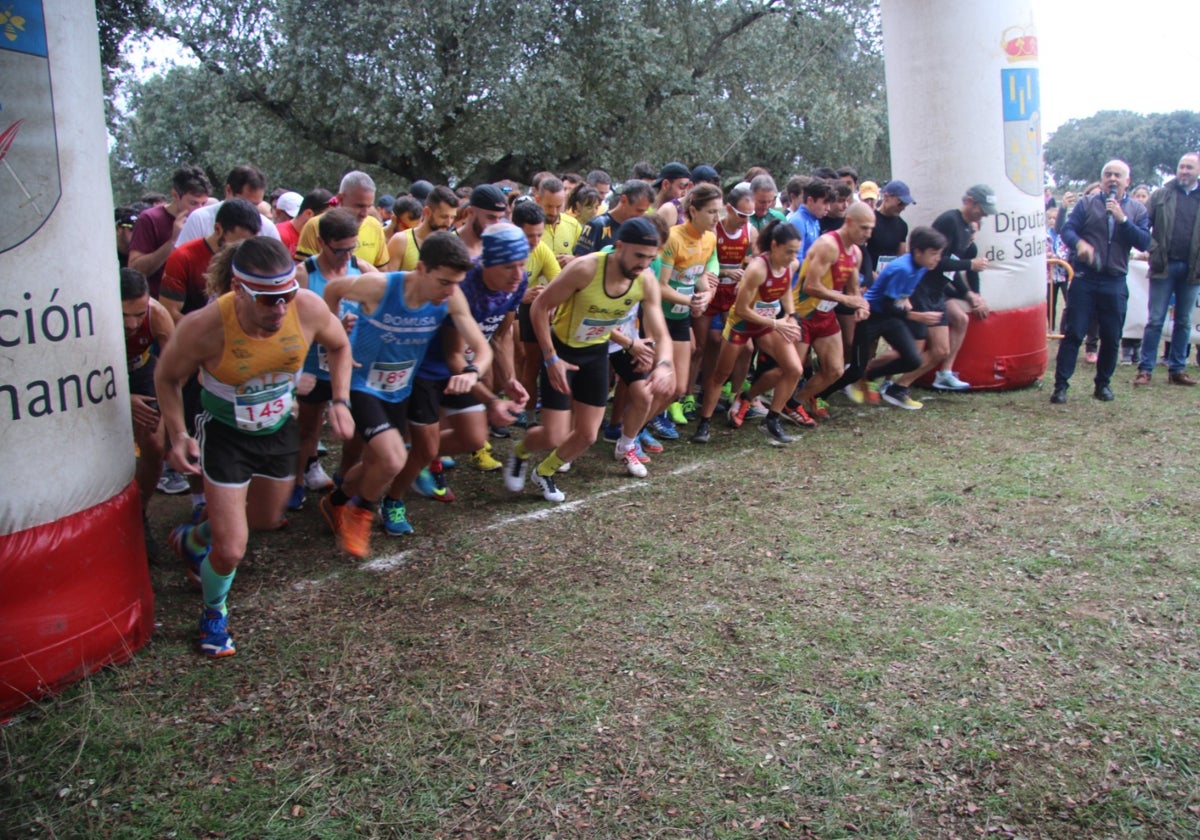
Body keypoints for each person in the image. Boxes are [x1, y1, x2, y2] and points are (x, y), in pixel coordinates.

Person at [157, 237, 356, 657]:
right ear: (238, 288)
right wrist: (177, 433)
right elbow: (167, 377)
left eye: (286, 296)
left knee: (265, 519)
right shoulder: (205, 326)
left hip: (279, 428)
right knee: (232, 549)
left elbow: (338, 345)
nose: (280, 309)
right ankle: (214, 612)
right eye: (268, 300)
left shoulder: (308, 308)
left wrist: (340, 400)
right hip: (225, 433)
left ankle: (196, 538)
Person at [319, 232, 493, 557]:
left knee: (377, 463)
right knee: (393, 458)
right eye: (443, 282)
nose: (450, 291)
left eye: (456, 283)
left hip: (399, 389)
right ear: (422, 268)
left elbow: (482, 348)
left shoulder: (451, 298)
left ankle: (336, 502)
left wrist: (472, 373)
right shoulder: (381, 287)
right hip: (361, 384)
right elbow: (332, 289)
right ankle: (362, 513)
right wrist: (333, 328)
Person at [509, 218, 675, 502]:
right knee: (554, 434)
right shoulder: (585, 269)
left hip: (595, 353)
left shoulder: (645, 279)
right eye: (638, 256)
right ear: (619, 246)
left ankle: (544, 472)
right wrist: (550, 358)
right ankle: (520, 452)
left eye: (650, 258)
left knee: (587, 435)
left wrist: (665, 365)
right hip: (561, 351)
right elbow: (539, 307)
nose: (643, 264)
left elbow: (660, 329)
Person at [381, 224, 530, 534]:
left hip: (466, 368)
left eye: (522, 264)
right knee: (426, 446)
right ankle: (393, 499)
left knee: (474, 438)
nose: (517, 274)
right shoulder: (464, 286)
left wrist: (510, 379)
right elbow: (452, 356)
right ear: (488, 263)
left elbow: (500, 335)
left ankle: (409, 457)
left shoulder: (518, 281)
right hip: (426, 366)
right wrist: (490, 399)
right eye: (508, 266)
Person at [692, 218, 805, 445]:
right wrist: (775, 324)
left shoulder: (789, 265)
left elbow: (785, 293)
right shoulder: (756, 269)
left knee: (794, 369)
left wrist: (791, 316)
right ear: (774, 245)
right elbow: (742, 310)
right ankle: (704, 423)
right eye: (789, 252)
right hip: (742, 323)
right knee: (721, 375)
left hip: (767, 323)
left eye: (796, 252)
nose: (793, 258)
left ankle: (771, 420)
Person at [1051, 160, 1151, 404]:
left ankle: (1102, 385)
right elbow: (1067, 230)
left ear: (1127, 180)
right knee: (1074, 333)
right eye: (1108, 174)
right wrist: (1079, 244)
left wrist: (1123, 220)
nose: (1112, 179)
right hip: (1086, 277)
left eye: (1118, 175)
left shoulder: (1137, 210)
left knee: (1111, 335)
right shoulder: (1087, 204)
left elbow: (1144, 242)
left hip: (1114, 280)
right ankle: (1061, 387)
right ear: (1102, 178)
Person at [852, 226, 949, 409]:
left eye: (940, 253)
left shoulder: (921, 266)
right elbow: (888, 304)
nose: (938, 258)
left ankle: (868, 376)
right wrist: (917, 316)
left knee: (913, 359)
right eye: (934, 253)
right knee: (855, 363)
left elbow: (899, 298)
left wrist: (907, 303)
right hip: (871, 315)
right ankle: (850, 380)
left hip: (889, 316)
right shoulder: (902, 268)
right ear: (918, 252)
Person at [1133, 152, 1200, 387]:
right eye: (1182, 167)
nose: (1184, 171)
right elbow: (1143, 225)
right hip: (1164, 266)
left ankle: (1177, 370)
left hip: (1193, 269)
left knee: (1183, 321)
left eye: (1190, 168)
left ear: (1198, 171)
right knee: (1155, 320)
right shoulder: (1161, 195)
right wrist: (1153, 247)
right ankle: (1145, 369)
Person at [925, 184, 996, 390]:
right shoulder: (949, 221)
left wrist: (974, 295)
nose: (983, 215)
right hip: (925, 287)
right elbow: (939, 261)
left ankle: (945, 373)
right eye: (981, 209)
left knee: (961, 319)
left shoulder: (968, 231)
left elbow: (965, 269)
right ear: (970, 202)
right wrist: (969, 268)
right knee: (918, 343)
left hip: (940, 289)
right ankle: (890, 380)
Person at [121, 268, 175, 528]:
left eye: (138, 315)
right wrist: (123, 398)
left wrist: (167, 421)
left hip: (140, 370)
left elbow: (175, 371)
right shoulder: (91, 315)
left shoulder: (158, 315)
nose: (132, 324)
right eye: (124, 315)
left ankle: (138, 515)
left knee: (154, 444)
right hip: (100, 375)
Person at [128, 165, 212, 298]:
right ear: (175, 195)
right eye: (193, 203)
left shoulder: (205, 217)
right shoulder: (149, 219)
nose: (199, 210)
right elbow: (135, 269)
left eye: (203, 203)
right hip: (160, 303)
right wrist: (173, 241)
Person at [296, 171, 390, 269]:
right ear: (340, 199)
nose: (365, 214)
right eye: (359, 206)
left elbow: (382, 273)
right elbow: (304, 275)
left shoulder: (374, 226)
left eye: (369, 206)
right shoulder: (315, 225)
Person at [175, 164, 280, 246]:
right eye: (245, 203)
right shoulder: (199, 219)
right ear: (228, 190)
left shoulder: (267, 228)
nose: (250, 210)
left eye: (255, 205)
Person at [386, 185, 460, 271]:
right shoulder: (401, 241)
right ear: (427, 212)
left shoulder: (452, 245)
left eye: (452, 217)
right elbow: (388, 281)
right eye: (443, 217)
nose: (448, 223)